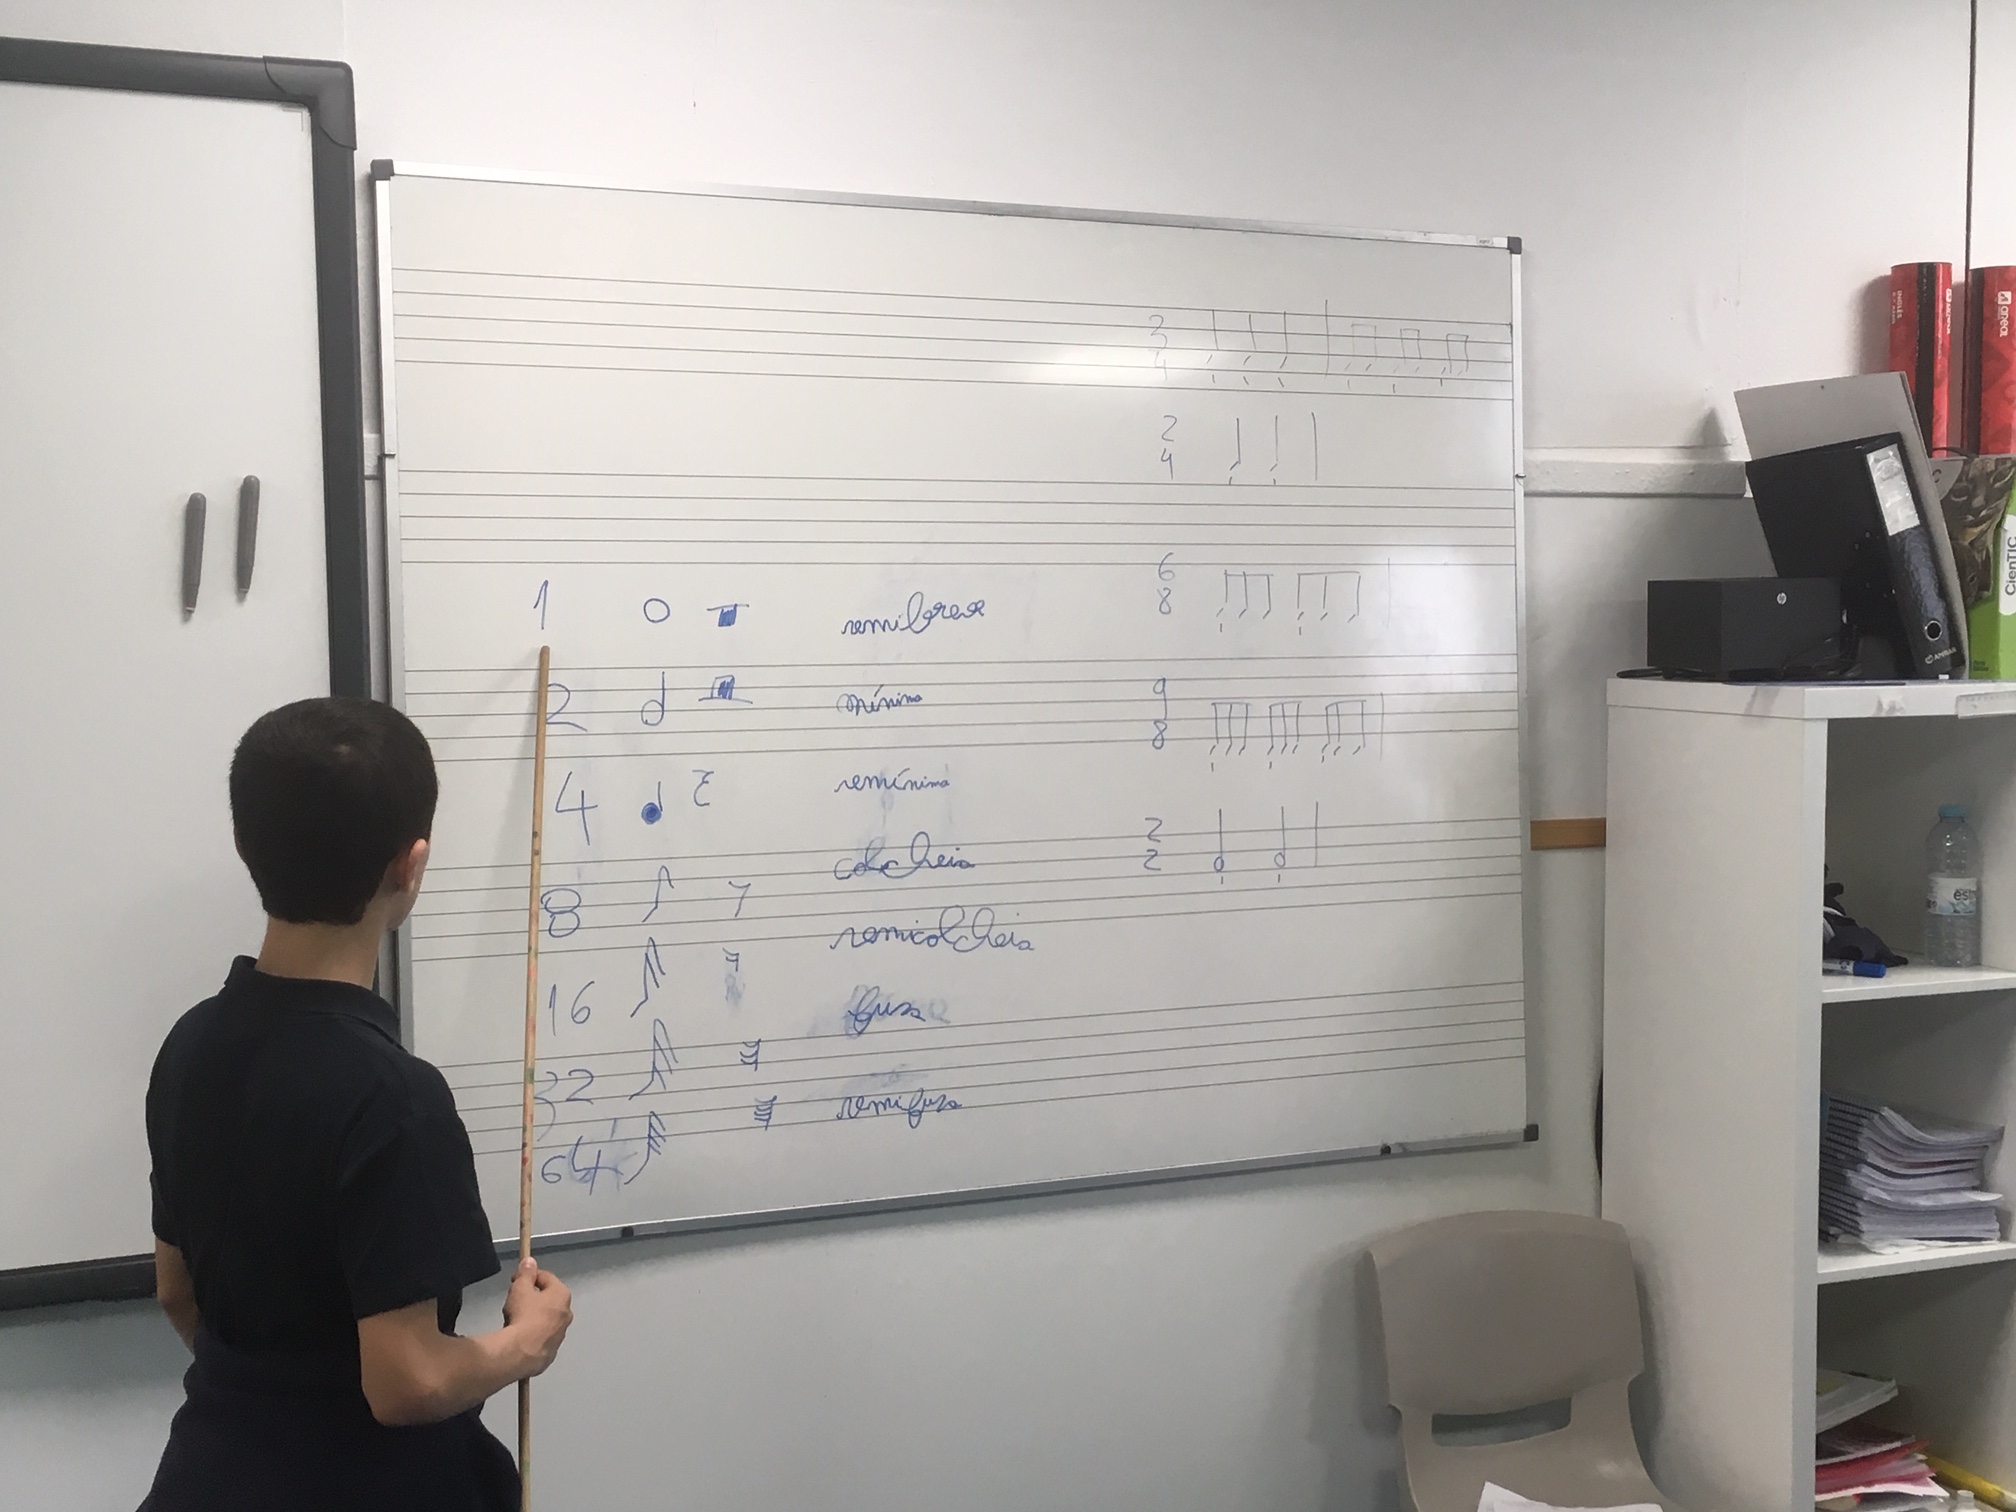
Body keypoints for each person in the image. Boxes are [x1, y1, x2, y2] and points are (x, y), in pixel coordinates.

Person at [140, 697, 572, 1511]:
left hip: (207, 1477)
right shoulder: (393, 1098)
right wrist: (526, 1342)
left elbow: (175, 1290)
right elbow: (407, 1382)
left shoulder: (189, 1044)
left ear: (244, 843)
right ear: (410, 864)